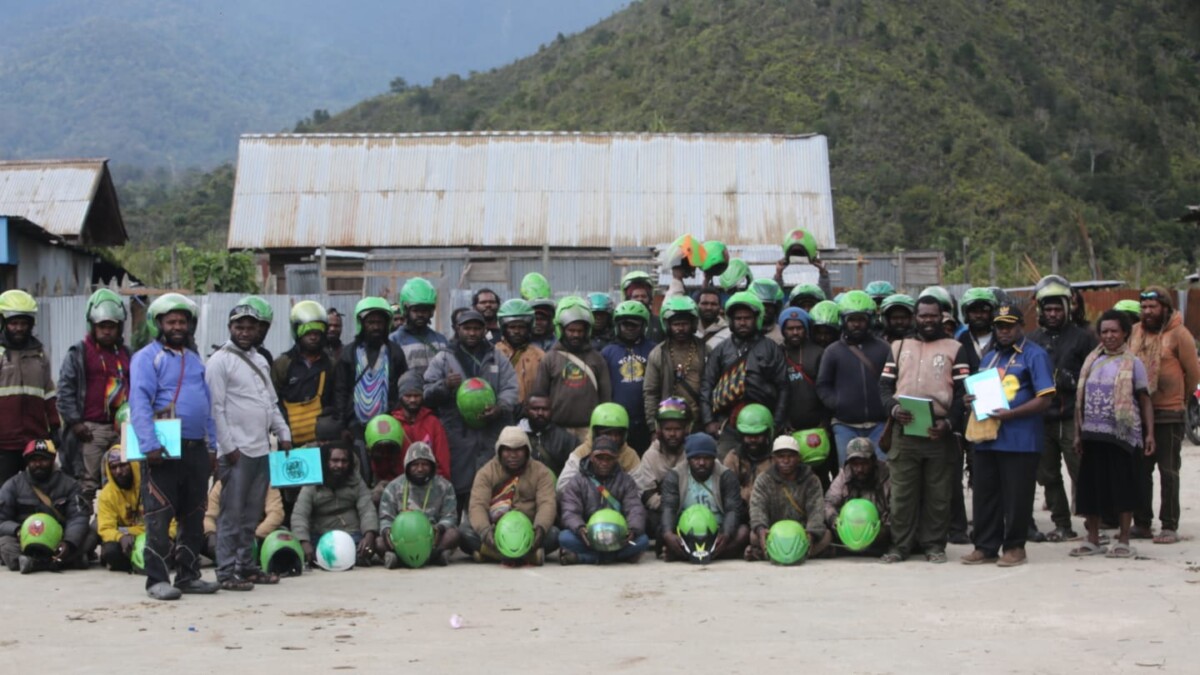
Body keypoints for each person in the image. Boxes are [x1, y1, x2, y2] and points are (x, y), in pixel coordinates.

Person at [130, 293, 219, 600]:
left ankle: (189, 575)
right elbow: (139, 403)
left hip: (195, 448)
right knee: (159, 514)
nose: (178, 326)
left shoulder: (195, 360)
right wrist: (149, 444)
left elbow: (206, 405)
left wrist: (212, 447)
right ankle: (156, 580)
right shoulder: (146, 358)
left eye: (182, 321)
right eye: (171, 321)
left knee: (194, 512)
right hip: (163, 449)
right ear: (159, 324)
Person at [206, 302, 293, 589]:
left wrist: (283, 431)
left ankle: (247, 566)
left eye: (250, 327)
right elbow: (216, 408)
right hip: (236, 452)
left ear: (259, 330)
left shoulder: (261, 360)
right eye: (239, 327)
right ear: (230, 328)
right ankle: (226, 572)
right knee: (231, 515)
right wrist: (228, 447)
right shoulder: (219, 361)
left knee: (252, 514)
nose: (244, 332)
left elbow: (269, 401)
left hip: (261, 449)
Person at [878, 295, 970, 564]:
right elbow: (884, 387)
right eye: (923, 315)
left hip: (938, 431)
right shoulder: (898, 346)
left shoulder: (955, 348)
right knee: (902, 494)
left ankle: (934, 546)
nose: (928, 320)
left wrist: (949, 423)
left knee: (938, 494)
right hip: (904, 429)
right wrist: (894, 409)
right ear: (915, 317)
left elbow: (963, 391)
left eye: (933, 315)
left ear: (942, 316)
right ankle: (900, 546)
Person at [962, 303, 1055, 567]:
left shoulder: (1034, 355)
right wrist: (970, 399)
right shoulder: (989, 356)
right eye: (999, 326)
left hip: (1020, 438)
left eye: (1009, 326)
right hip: (987, 438)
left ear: (1020, 327)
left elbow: (1045, 398)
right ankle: (985, 546)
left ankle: (1015, 547)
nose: (1004, 331)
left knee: (1016, 497)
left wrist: (1011, 415)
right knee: (985, 495)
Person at [1071, 310, 1155, 559]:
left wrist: (1150, 434)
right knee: (1091, 487)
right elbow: (1082, 399)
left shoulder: (1133, 363)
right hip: (1091, 436)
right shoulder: (1091, 361)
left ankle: (1124, 540)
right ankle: (1093, 539)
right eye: (1104, 331)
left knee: (1123, 488)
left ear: (1125, 333)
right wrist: (1078, 434)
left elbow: (1144, 399)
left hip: (1122, 436)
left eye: (1114, 331)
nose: (1109, 336)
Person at [1026, 276, 1097, 542]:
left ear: (1068, 309)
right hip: (1041, 419)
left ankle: (1093, 524)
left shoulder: (1083, 338)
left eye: (1058, 309)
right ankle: (1062, 524)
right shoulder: (1030, 340)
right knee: (1047, 475)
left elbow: (1094, 374)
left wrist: (1069, 378)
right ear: (1041, 311)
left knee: (1081, 471)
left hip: (1071, 418)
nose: (1053, 314)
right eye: (1048, 309)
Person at [424, 309, 519, 507]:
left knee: (492, 487)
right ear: (458, 329)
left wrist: (500, 407)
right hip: (457, 433)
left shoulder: (496, 356)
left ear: (485, 329)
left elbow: (511, 387)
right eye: (467, 328)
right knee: (459, 487)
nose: (472, 333)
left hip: (491, 431)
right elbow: (427, 393)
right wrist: (445, 385)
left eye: (477, 328)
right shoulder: (443, 357)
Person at [1128, 286, 1200, 544]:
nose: (1147, 312)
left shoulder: (1180, 334)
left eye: (1153, 307)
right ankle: (1142, 523)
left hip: (1168, 413)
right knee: (1140, 470)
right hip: (1137, 413)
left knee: (1168, 470)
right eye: (1144, 307)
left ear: (1165, 308)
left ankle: (1169, 525)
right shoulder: (1135, 332)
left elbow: (1193, 375)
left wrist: (1177, 400)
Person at [57, 288, 130, 501]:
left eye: (112, 327)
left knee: (124, 477)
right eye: (102, 326)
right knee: (89, 481)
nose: (107, 331)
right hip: (90, 429)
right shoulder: (78, 353)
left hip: (121, 428)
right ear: (92, 326)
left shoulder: (127, 354)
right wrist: (75, 423)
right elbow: (65, 391)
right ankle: (87, 527)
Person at [701, 291, 788, 456]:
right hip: (728, 425)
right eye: (738, 319)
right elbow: (707, 385)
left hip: (764, 424)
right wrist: (709, 421)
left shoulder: (771, 348)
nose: (742, 323)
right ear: (731, 321)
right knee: (726, 470)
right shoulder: (720, 350)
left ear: (757, 319)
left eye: (747, 318)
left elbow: (783, 387)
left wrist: (776, 424)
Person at [461, 426, 557, 565]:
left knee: (554, 534)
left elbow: (547, 503)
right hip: (496, 530)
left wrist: (540, 528)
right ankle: (526, 557)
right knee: (464, 532)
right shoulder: (486, 473)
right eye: (507, 450)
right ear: (499, 451)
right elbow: (477, 505)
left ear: (527, 451)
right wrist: (486, 532)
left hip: (527, 530)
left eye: (518, 449)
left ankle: (490, 555)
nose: (513, 455)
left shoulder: (541, 471)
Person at [334, 297, 408, 473]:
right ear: (361, 324)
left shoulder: (395, 352)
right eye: (371, 322)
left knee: (386, 471)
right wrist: (343, 425)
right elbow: (340, 391)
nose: (376, 327)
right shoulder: (349, 353)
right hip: (355, 427)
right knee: (360, 471)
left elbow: (401, 388)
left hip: (387, 425)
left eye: (380, 322)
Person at [816, 290, 891, 464]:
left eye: (861, 319)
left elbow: (893, 382)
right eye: (852, 320)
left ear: (870, 320)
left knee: (883, 475)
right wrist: (838, 404)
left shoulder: (884, 349)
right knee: (849, 475)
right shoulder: (832, 351)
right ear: (843, 321)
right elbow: (823, 385)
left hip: (879, 425)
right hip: (844, 426)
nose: (856, 324)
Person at [0, 439, 93, 573]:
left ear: (53, 459)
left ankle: (34, 563)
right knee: (4, 543)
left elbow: (78, 517)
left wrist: (69, 542)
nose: (38, 464)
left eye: (43, 459)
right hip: (25, 542)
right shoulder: (12, 485)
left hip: (59, 540)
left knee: (91, 534)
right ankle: (68, 561)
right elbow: (2, 519)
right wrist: (17, 530)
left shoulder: (70, 484)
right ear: (27, 462)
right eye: (33, 460)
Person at [557, 436, 649, 565]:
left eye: (609, 458)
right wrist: (580, 528)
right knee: (564, 537)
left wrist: (632, 530)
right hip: (589, 537)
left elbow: (635, 508)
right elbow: (569, 511)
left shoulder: (626, 481)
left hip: (617, 535)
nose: (604, 463)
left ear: (616, 458)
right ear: (591, 457)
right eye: (599, 458)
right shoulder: (578, 481)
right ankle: (616, 557)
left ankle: (583, 558)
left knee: (642, 540)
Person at [0, 290, 61, 486]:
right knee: (4, 496)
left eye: (24, 323)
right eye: (13, 323)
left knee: (37, 494)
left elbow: (49, 393)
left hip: (35, 440)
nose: (19, 328)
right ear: (3, 323)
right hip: (4, 443)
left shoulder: (40, 354)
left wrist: (55, 428)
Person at [660, 433, 748, 562]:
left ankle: (686, 555)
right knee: (662, 531)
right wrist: (668, 533)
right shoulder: (675, 476)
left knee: (743, 532)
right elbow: (668, 508)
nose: (701, 463)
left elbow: (732, 509)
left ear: (714, 458)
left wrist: (727, 533)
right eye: (696, 458)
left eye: (707, 458)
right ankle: (713, 555)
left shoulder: (726, 476)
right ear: (688, 459)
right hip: (686, 532)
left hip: (716, 531)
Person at [532, 299, 611, 438]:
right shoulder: (549, 358)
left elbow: (606, 398)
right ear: (562, 330)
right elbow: (540, 395)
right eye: (571, 330)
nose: (576, 334)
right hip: (557, 430)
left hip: (589, 430)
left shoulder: (597, 359)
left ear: (586, 331)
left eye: (580, 331)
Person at [291, 443, 379, 567]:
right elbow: (300, 514)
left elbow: (367, 509)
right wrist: (304, 542)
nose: (340, 465)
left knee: (365, 551)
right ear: (326, 462)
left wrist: (369, 534)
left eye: (344, 461)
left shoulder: (356, 480)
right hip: (321, 535)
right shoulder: (312, 483)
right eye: (335, 461)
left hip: (352, 534)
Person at [746, 436, 830, 560]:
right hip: (775, 533)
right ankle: (804, 554)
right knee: (753, 536)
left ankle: (773, 555)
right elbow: (757, 508)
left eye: (790, 456)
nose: (786, 461)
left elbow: (816, 511)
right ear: (773, 459)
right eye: (781, 456)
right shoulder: (764, 479)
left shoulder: (811, 480)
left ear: (798, 458)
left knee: (826, 535)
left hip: (801, 533)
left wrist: (811, 533)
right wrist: (761, 529)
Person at [378, 442, 459, 567]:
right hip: (402, 538)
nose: (420, 469)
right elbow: (385, 517)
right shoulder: (393, 487)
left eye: (425, 464)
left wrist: (440, 528)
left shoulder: (444, 486)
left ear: (432, 466)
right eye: (415, 465)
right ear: (407, 466)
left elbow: (450, 516)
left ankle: (432, 555)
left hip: (432, 538)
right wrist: (386, 531)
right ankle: (406, 557)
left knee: (453, 534)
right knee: (379, 542)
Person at [272, 301, 337, 449]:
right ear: (297, 332)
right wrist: (282, 432)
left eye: (317, 333)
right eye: (308, 333)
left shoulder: (330, 365)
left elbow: (336, 400)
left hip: (323, 441)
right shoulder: (283, 364)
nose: (313, 337)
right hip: (289, 442)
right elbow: (273, 401)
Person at [96, 447, 171, 572]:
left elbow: (171, 520)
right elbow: (105, 528)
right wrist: (120, 537)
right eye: (113, 468)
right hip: (127, 539)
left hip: (154, 534)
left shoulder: (153, 486)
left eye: (123, 465)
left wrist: (169, 536)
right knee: (111, 552)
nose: (119, 471)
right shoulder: (106, 494)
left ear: (133, 464)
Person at [629, 399, 692, 538]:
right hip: (661, 510)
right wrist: (671, 508)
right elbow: (647, 495)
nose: (672, 434)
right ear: (659, 430)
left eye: (677, 429)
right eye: (668, 429)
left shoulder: (694, 453)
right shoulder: (650, 456)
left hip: (693, 508)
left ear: (687, 429)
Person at [644, 296, 707, 433]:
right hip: (669, 423)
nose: (680, 328)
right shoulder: (657, 354)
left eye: (684, 324)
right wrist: (653, 428)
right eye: (676, 324)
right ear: (667, 325)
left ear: (693, 324)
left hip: (699, 422)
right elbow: (650, 393)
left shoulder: (706, 350)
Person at [602, 301, 656, 454]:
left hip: (646, 422)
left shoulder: (654, 350)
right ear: (618, 325)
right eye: (626, 325)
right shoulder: (607, 352)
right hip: (617, 421)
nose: (630, 329)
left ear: (643, 326)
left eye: (635, 325)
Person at [825, 438, 892, 553]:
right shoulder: (843, 475)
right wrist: (834, 520)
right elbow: (828, 503)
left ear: (873, 461)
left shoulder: (887, 475)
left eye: (864, 463)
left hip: (881, 532)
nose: (859, 469)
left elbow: (898, 508)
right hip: (847, 534)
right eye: (855, 464)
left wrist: (883, 528)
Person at [557, 403, 644, 490]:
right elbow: (562, 487)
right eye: (607, 433)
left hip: (618, 502)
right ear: (595, 433)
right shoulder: (582, 452)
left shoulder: (630, 456)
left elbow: (639, 490)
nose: (613, 439)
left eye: (617, 434)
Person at [202, 481, 284, 563]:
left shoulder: (266, 483)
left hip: (257, 535)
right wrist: (211, 534)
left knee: (281, 535)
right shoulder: (221, 484)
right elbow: (208, 516)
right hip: (227, 536)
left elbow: (276, 514)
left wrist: (256, 535)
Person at [388, 277, 449, 378]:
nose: (420, 314)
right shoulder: (394, 340)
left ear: (431, 312)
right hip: (407, 393)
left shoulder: (441, 341)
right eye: (416, 310)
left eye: (424, 310)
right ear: (406, 310)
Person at [722, 403, 776, 507]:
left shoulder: (775, 459)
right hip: (739, 512)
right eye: (748, 435)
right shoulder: (733, 458)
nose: (753, 440)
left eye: (758, 435)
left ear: (767, 434)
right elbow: (727, 491)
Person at [494, 299, 545, 406]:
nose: (517, 331)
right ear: (504, 328)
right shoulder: (493, 354)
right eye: (512, 327)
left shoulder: (540, 356)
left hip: (531, 414)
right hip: (501, 412)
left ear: (529, 328)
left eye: (521, 327)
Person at [519, 394, 577, 478]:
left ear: (551, 411)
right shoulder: (515, 435)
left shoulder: (565, 439)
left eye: (545, 409)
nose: (540, 413)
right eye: (535, 409)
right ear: (526, 410)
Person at [620, 271, 664, 343]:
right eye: (636, 296)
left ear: (649, 298)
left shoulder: (659, 323)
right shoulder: (620, 323)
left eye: (643, 296)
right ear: (628, 299)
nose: (640, 299)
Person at [237, 296, 276, 366]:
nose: (258, 329)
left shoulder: (265, 356)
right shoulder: (223, 356)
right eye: (251, 325)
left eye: (262, 325)